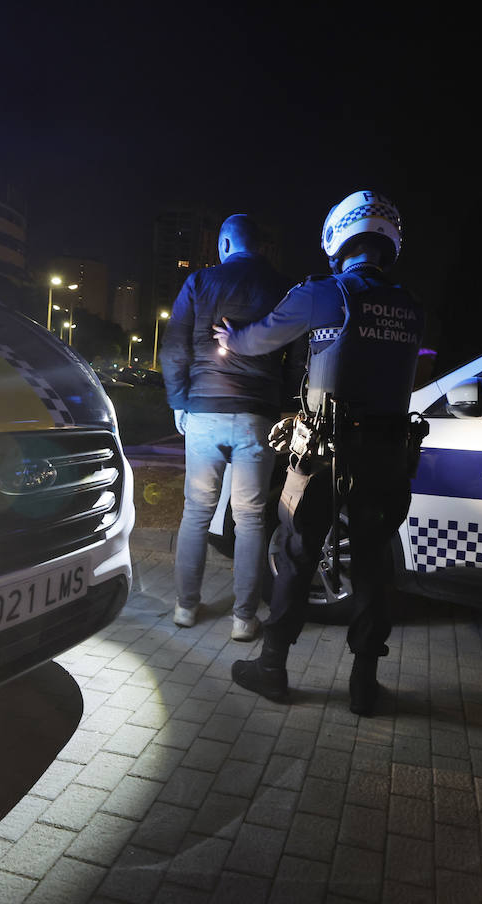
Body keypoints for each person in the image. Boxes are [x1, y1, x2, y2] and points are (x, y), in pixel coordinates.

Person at [213, 190, 425, 715]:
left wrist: (230, 337)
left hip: (324, 453)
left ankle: (272, 669)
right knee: (374, 564)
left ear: (338, 237)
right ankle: (364, 685)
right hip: (387, 453)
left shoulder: (325, 293)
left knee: (297, 554)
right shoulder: (410, 306)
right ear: (389, 241)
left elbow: (259, 339)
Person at [160, 214, 299, 640]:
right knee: (251, 518)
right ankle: (243, 618)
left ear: (223, 244)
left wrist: (179, 401)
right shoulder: (282, 287)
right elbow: (295, 358)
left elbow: (174, 349)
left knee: (196, 513)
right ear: (260, 246)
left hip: (203, 410)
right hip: (256, 415)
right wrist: (281, 406)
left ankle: (186, 608)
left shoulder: (200, 283)